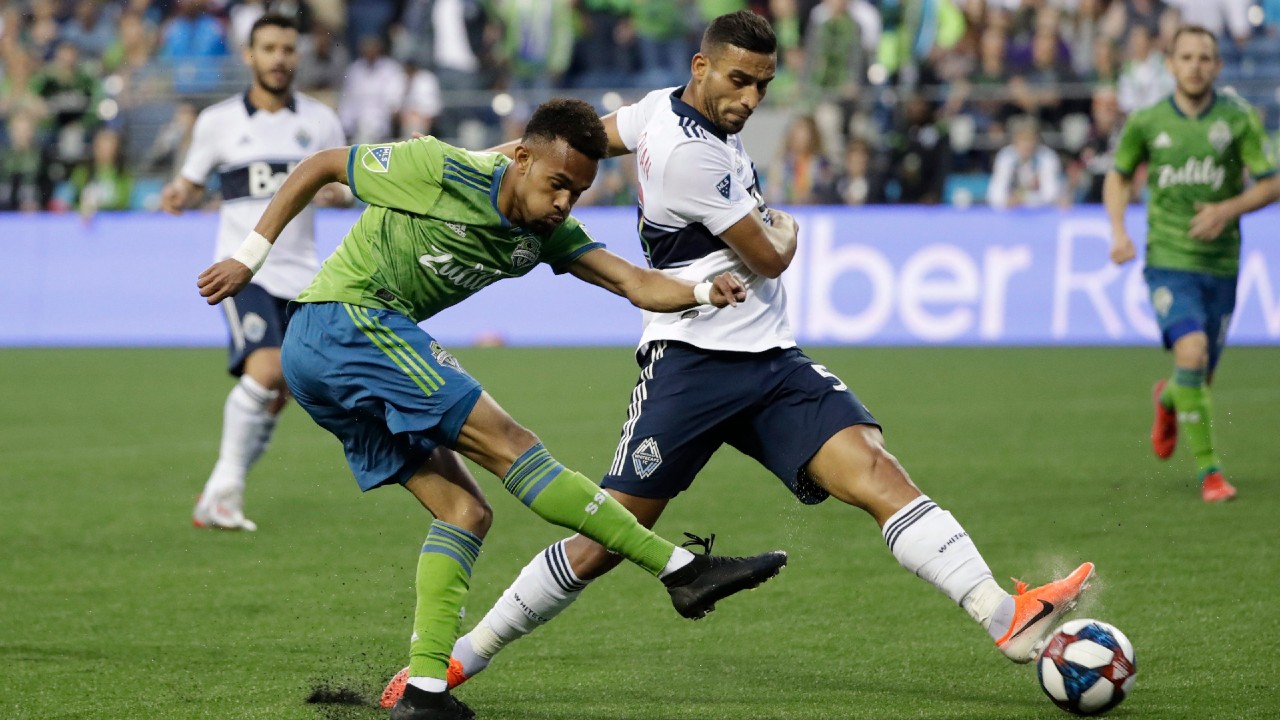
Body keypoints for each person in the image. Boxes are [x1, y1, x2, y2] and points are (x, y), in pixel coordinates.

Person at [382, 10, 1096, 706]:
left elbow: (586, 139)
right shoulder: (692, 154)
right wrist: (786, 226)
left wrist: (501, 159)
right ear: (702, 67)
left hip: (769, 361)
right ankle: (460, 657)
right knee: (601, 543)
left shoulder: (657, 111)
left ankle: (1006, 618)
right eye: (738, 80)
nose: (750, 99)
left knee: (878, 471)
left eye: (762, 85)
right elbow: (769, 257)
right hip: (690, 366)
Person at [195, 97, 789, 720]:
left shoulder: (546, 233)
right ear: (522, 158)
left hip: (332, 356)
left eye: (579, 191)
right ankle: (679, 569)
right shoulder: (438, 168)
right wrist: (250, 257)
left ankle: (423, 692)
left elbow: (632, 282)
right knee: (512, 442)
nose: (564, 202)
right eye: (557, 183)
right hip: (344, 321)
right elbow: (321, 165)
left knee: (465, 512)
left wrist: (701, 290)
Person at [161, 13, 347, 531]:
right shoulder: (218, 122)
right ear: (250, 55)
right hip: (246, 270)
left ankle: (219, 492)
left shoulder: (321, 122)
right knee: (265, 371)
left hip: (305, 275)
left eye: (288, 49)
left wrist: (338, 192)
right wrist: (179, 193)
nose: (279, 59)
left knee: (283, 386)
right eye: (269, 48)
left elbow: (343, 186)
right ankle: (224, 493)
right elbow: (192, 179)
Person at [1104, 24, 1280, 503]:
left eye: (1205, 58)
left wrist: (1226, 210)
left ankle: (1166, 398)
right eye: (1186, 57)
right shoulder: (1147, 122)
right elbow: (1117, 178)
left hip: (1221, 263)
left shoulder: (1238, 119)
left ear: (1218, 66)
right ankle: (1212, 474)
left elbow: (1270, 182)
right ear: (1170, 64)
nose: (1196, 66)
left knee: (1198, 377)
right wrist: (1119, 231)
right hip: (1169, 258)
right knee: (1192, 350)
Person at [987, 115, 1064, 209]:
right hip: (1011, 213)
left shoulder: (1047, 158)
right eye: (1023, 139)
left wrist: (1025, 199)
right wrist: (1007, 200)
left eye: (1030, 139)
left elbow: (1051, 194)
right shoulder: (1005, 157)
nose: (1027, 144)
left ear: (1037, 139)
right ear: (1014, 140)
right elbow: (995, 193)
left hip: (1040, 212)